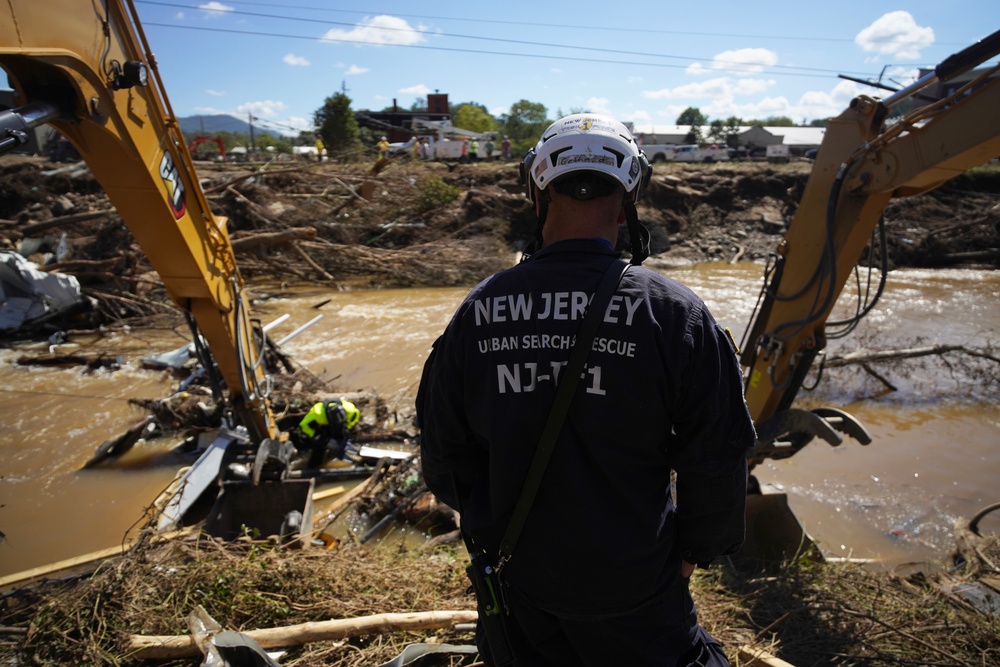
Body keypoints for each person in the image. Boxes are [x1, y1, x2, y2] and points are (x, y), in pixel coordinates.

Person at [417, 114, 755, 667]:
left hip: (517, 576)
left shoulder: (478, 310)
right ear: (628, 198)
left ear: (536, 192)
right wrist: (692, 554)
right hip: (634, 583)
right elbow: (718, 456)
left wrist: (497, 530)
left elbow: (445, 455)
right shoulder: (674, 313)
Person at [297, 398, 361, 468]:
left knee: (344, 437)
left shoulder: (350, 410)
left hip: (342, 425)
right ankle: (314, 465)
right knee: (318, 450)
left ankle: (335, 454)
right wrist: (320, 438)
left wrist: (347, 428)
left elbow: (355, 416)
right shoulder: (318, 414)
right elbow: (303, 426)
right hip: (323, 427)